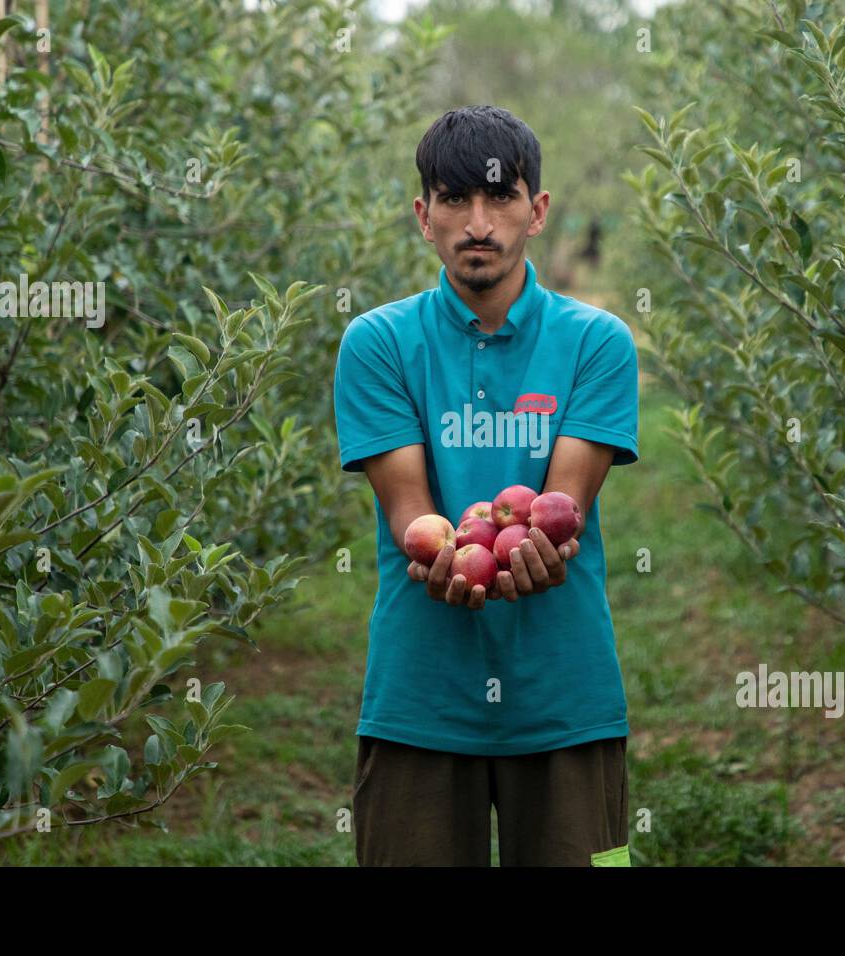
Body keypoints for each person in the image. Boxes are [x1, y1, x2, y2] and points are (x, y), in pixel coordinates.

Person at [333, 105, 639, 866]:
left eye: (501, 197)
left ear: (537, 211)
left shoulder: (597, 343)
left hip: (567, 701)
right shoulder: (377, 344)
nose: (478, 223)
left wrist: (530, 549)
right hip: (420, 701)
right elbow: (411, 514)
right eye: (454, 199)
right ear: (423, 216)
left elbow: (560, 512)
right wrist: (444, 553)